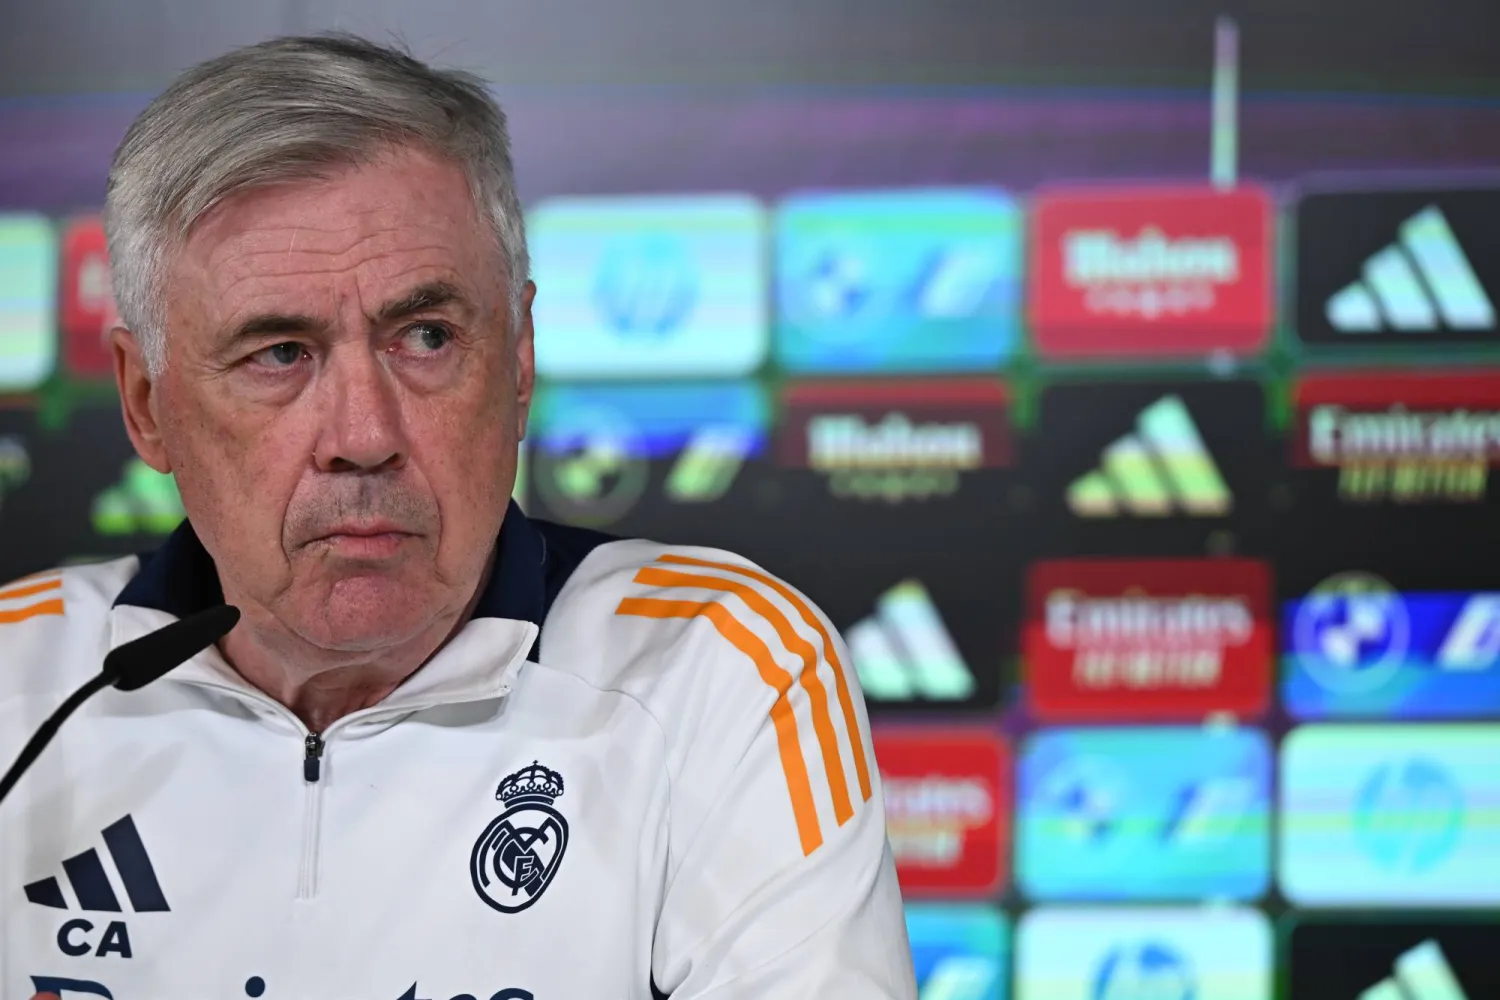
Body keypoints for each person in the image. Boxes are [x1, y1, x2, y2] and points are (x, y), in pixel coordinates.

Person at [0, 34, 916, 1000]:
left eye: (426, 336)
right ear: (147, 403)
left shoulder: (713, 667)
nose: (363, 435)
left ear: (519, 363)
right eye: (279, 354)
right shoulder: (18, 689)